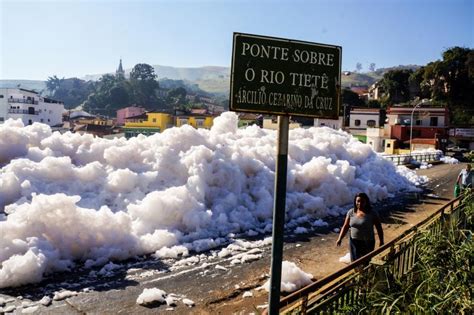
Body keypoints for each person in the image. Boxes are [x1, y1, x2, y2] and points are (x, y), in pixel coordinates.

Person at [336, 193, 384, 262]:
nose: (360, 203)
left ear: (366, 202)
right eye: (358, 201)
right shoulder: (351, 212)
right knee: (355, 263)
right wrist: (340, 238)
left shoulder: (372, 213)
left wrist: (381, 241)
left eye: (362, 201)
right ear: (355, 202)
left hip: (367, 242)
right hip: (354, 242)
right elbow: (345, 226)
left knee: (365, 262)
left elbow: (379, 228)